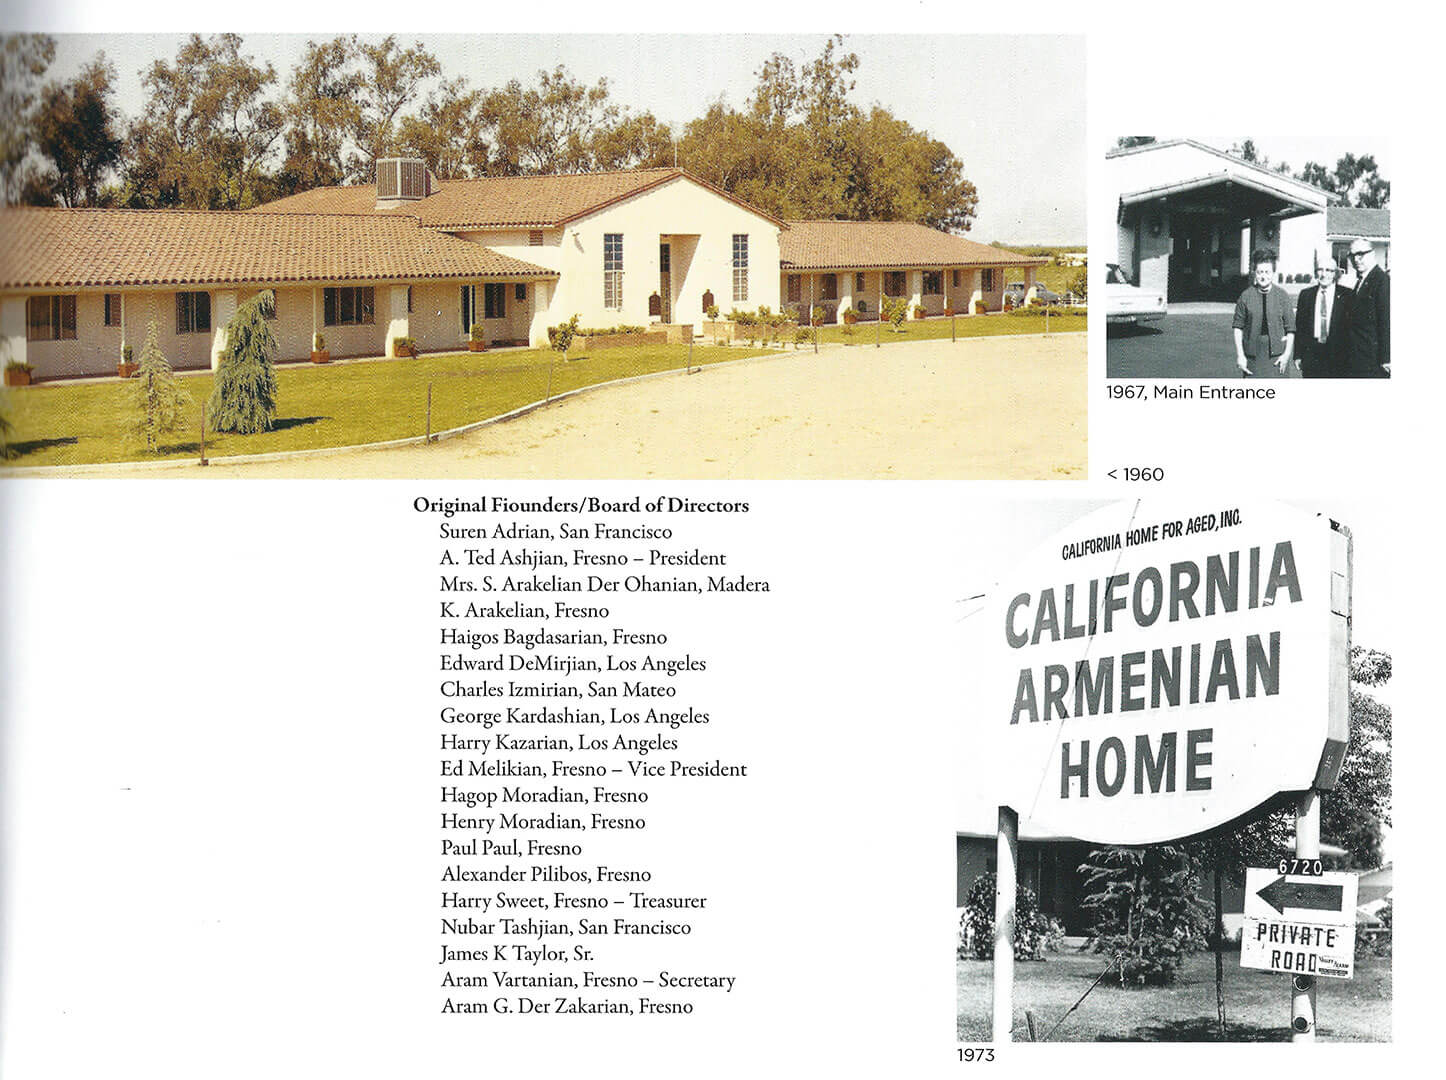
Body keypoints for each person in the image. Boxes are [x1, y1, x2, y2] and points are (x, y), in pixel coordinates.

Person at [1232, 251, 1295, 376]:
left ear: (1273, 274)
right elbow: (1238, 327)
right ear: (1255, 273)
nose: (1263, 276)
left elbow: (1291, 329)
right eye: (1260, 272)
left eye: (1267, 272)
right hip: (1252, 357)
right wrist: (1240, 355)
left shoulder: (1282, 296)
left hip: (1277, 357)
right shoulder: (1246, 296)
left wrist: (1286, 355)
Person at [1293, 246, 1352, 378]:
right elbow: (1300, 327)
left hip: (1338, 356)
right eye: (1320, 269)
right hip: (1312, 355)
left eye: (1328, 270)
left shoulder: (1347, 296)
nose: (1323, 274)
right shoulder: (1306, 295)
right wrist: (1298, 355)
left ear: (1335, 273)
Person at [1346, 237, 1389, 377]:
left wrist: (1387, 358)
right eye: (1352, 255)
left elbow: (1386, 321)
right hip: (1358, 358)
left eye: (1361, 254)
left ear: (1372, 254)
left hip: (1373, 361)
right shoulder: (1362, 280)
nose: (1356, 259)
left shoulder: (1381, 281)